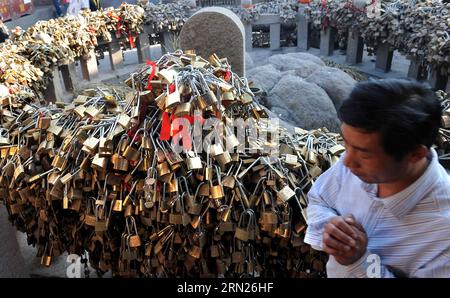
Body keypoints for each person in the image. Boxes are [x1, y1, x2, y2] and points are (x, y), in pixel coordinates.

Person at [304, 79, 450, 278]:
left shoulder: (443, 237)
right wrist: (334, 231)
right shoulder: (357, 163)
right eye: (346, 144)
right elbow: (319, 198)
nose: (346, 162)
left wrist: (359, 261)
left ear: (415, 154)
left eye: (364, 154)